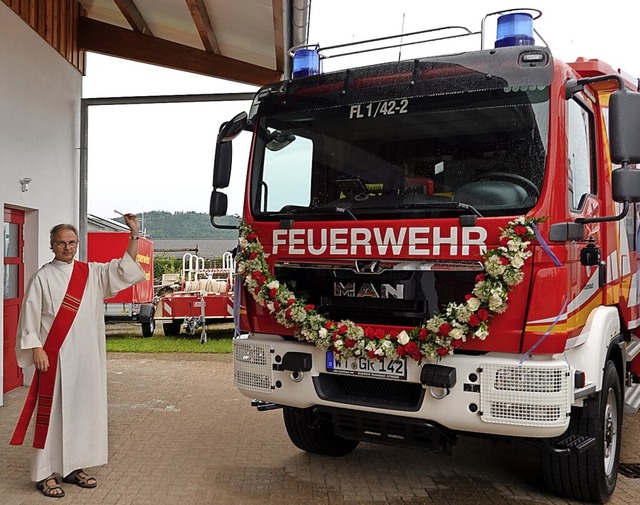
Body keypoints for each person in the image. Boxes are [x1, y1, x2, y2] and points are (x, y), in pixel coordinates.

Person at [10, 214, 146, 498]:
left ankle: (74, 467)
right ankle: (44, 474)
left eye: (72, 242)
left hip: (87, 359)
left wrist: (133, 234)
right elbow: (29, 318)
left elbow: (124, 269)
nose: (67, 248)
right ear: (52, 245)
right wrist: (36, 348)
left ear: (77, 245)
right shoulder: (42, 277)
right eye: (61, 243)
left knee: (83, 414)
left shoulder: (92, 273)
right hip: (55, 359)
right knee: (52, 416)